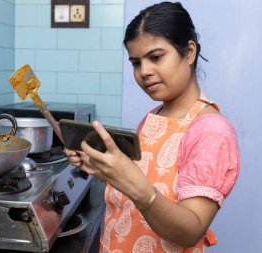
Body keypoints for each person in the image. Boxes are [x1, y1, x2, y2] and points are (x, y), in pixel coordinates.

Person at [64, 2, 240, 252]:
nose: (144, 71)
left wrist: (143, 194)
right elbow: (146, 182)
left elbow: (190, 230)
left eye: (156, 57)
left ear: (189, 52)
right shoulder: (153, 117)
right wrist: (102, 169)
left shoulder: (211, 131)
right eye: (136, 62)